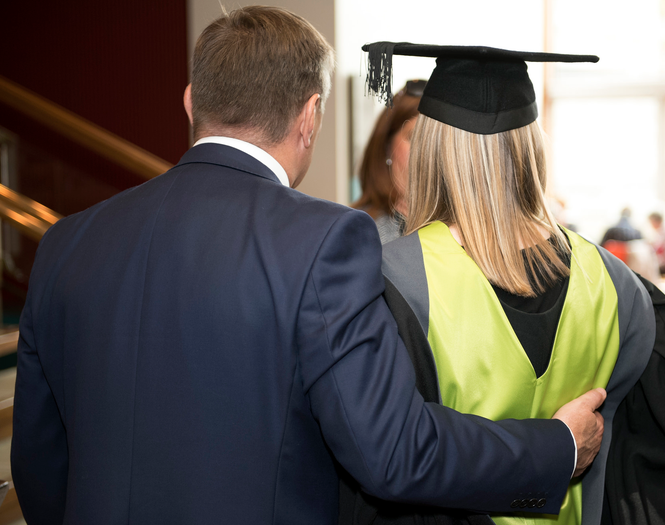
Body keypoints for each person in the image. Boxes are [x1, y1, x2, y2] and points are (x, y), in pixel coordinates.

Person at [11, 10, 605, 524]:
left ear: (192, 101)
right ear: (311, 115)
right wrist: (553, 448)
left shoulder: (66, 243)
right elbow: (392, 450)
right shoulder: (324, 241)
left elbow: (39, 466)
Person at [342, 42, 665, 525]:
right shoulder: (620, 289)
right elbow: (654, 470)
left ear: (432, 150)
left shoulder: (391, 281)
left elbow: (383, 470)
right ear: (531, 148)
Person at [352, 79, 426, 243]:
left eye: (433, 141)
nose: (425, 153)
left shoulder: (463, 232)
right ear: (386, 147)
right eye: (413, 137)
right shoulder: (360, 232)